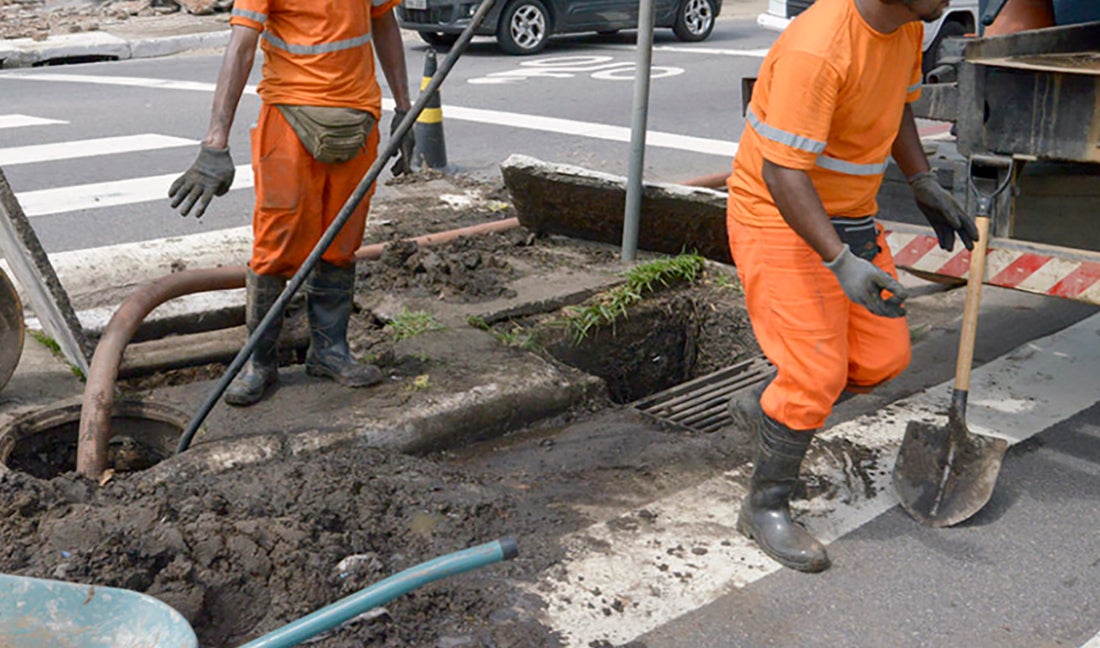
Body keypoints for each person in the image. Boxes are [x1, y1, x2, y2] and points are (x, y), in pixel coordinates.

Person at [725, 0, 978, 572]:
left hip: (851, 217)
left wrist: (922, 181)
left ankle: (770, 406)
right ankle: (764, 507)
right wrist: (840, 261)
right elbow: (781, 172)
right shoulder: (818, 49)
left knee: (883, 357)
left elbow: (897, 109)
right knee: (816, 373)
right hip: (778, 218)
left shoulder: (907, 26)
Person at [168, 0, 415, 406]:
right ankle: (261, 364)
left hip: (357, 118)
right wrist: (215, 141)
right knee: (276, 244)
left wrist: (404, 107)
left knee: (341, 242)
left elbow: (384, 23)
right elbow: (241, 46)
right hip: (290, 118)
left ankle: (330, 351)